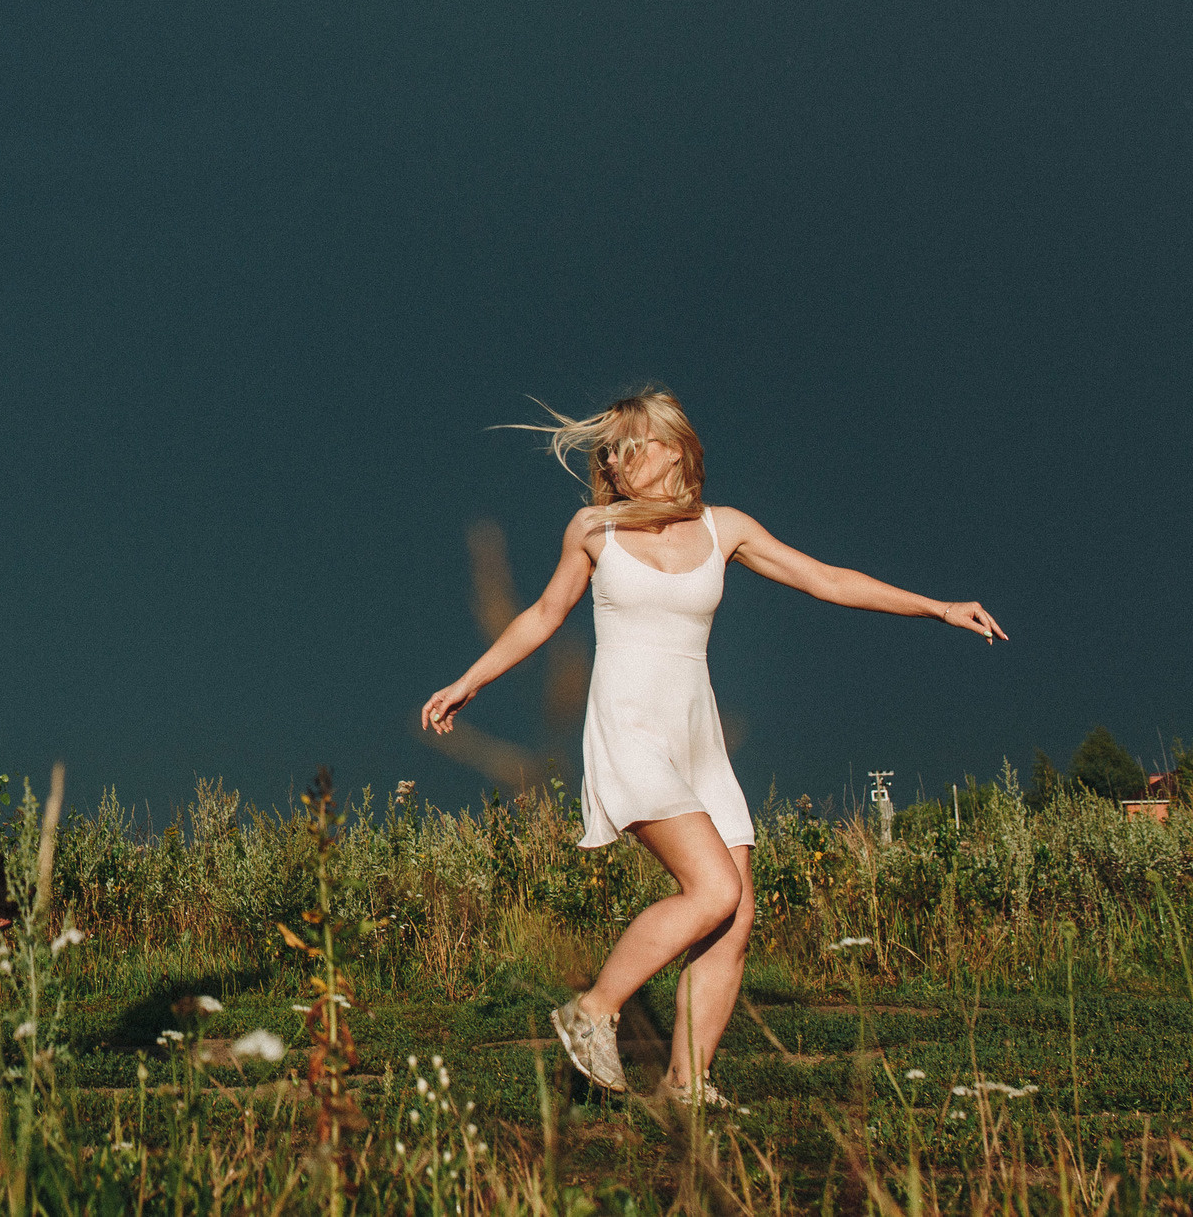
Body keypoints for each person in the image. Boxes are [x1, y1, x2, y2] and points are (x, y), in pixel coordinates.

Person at [420, 388, 1003, 1105]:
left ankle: (685, 1084)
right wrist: (469, 680)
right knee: (713, 888)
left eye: (627, 444)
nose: (612, 459)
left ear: (672, 448)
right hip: (629, 728)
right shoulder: (593, 529)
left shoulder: (724, 529)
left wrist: (939, 607)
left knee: (736, 913)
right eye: (606, 451)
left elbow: (825, 578)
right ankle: (593, 1010)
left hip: (697, 739)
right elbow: (543, 614)